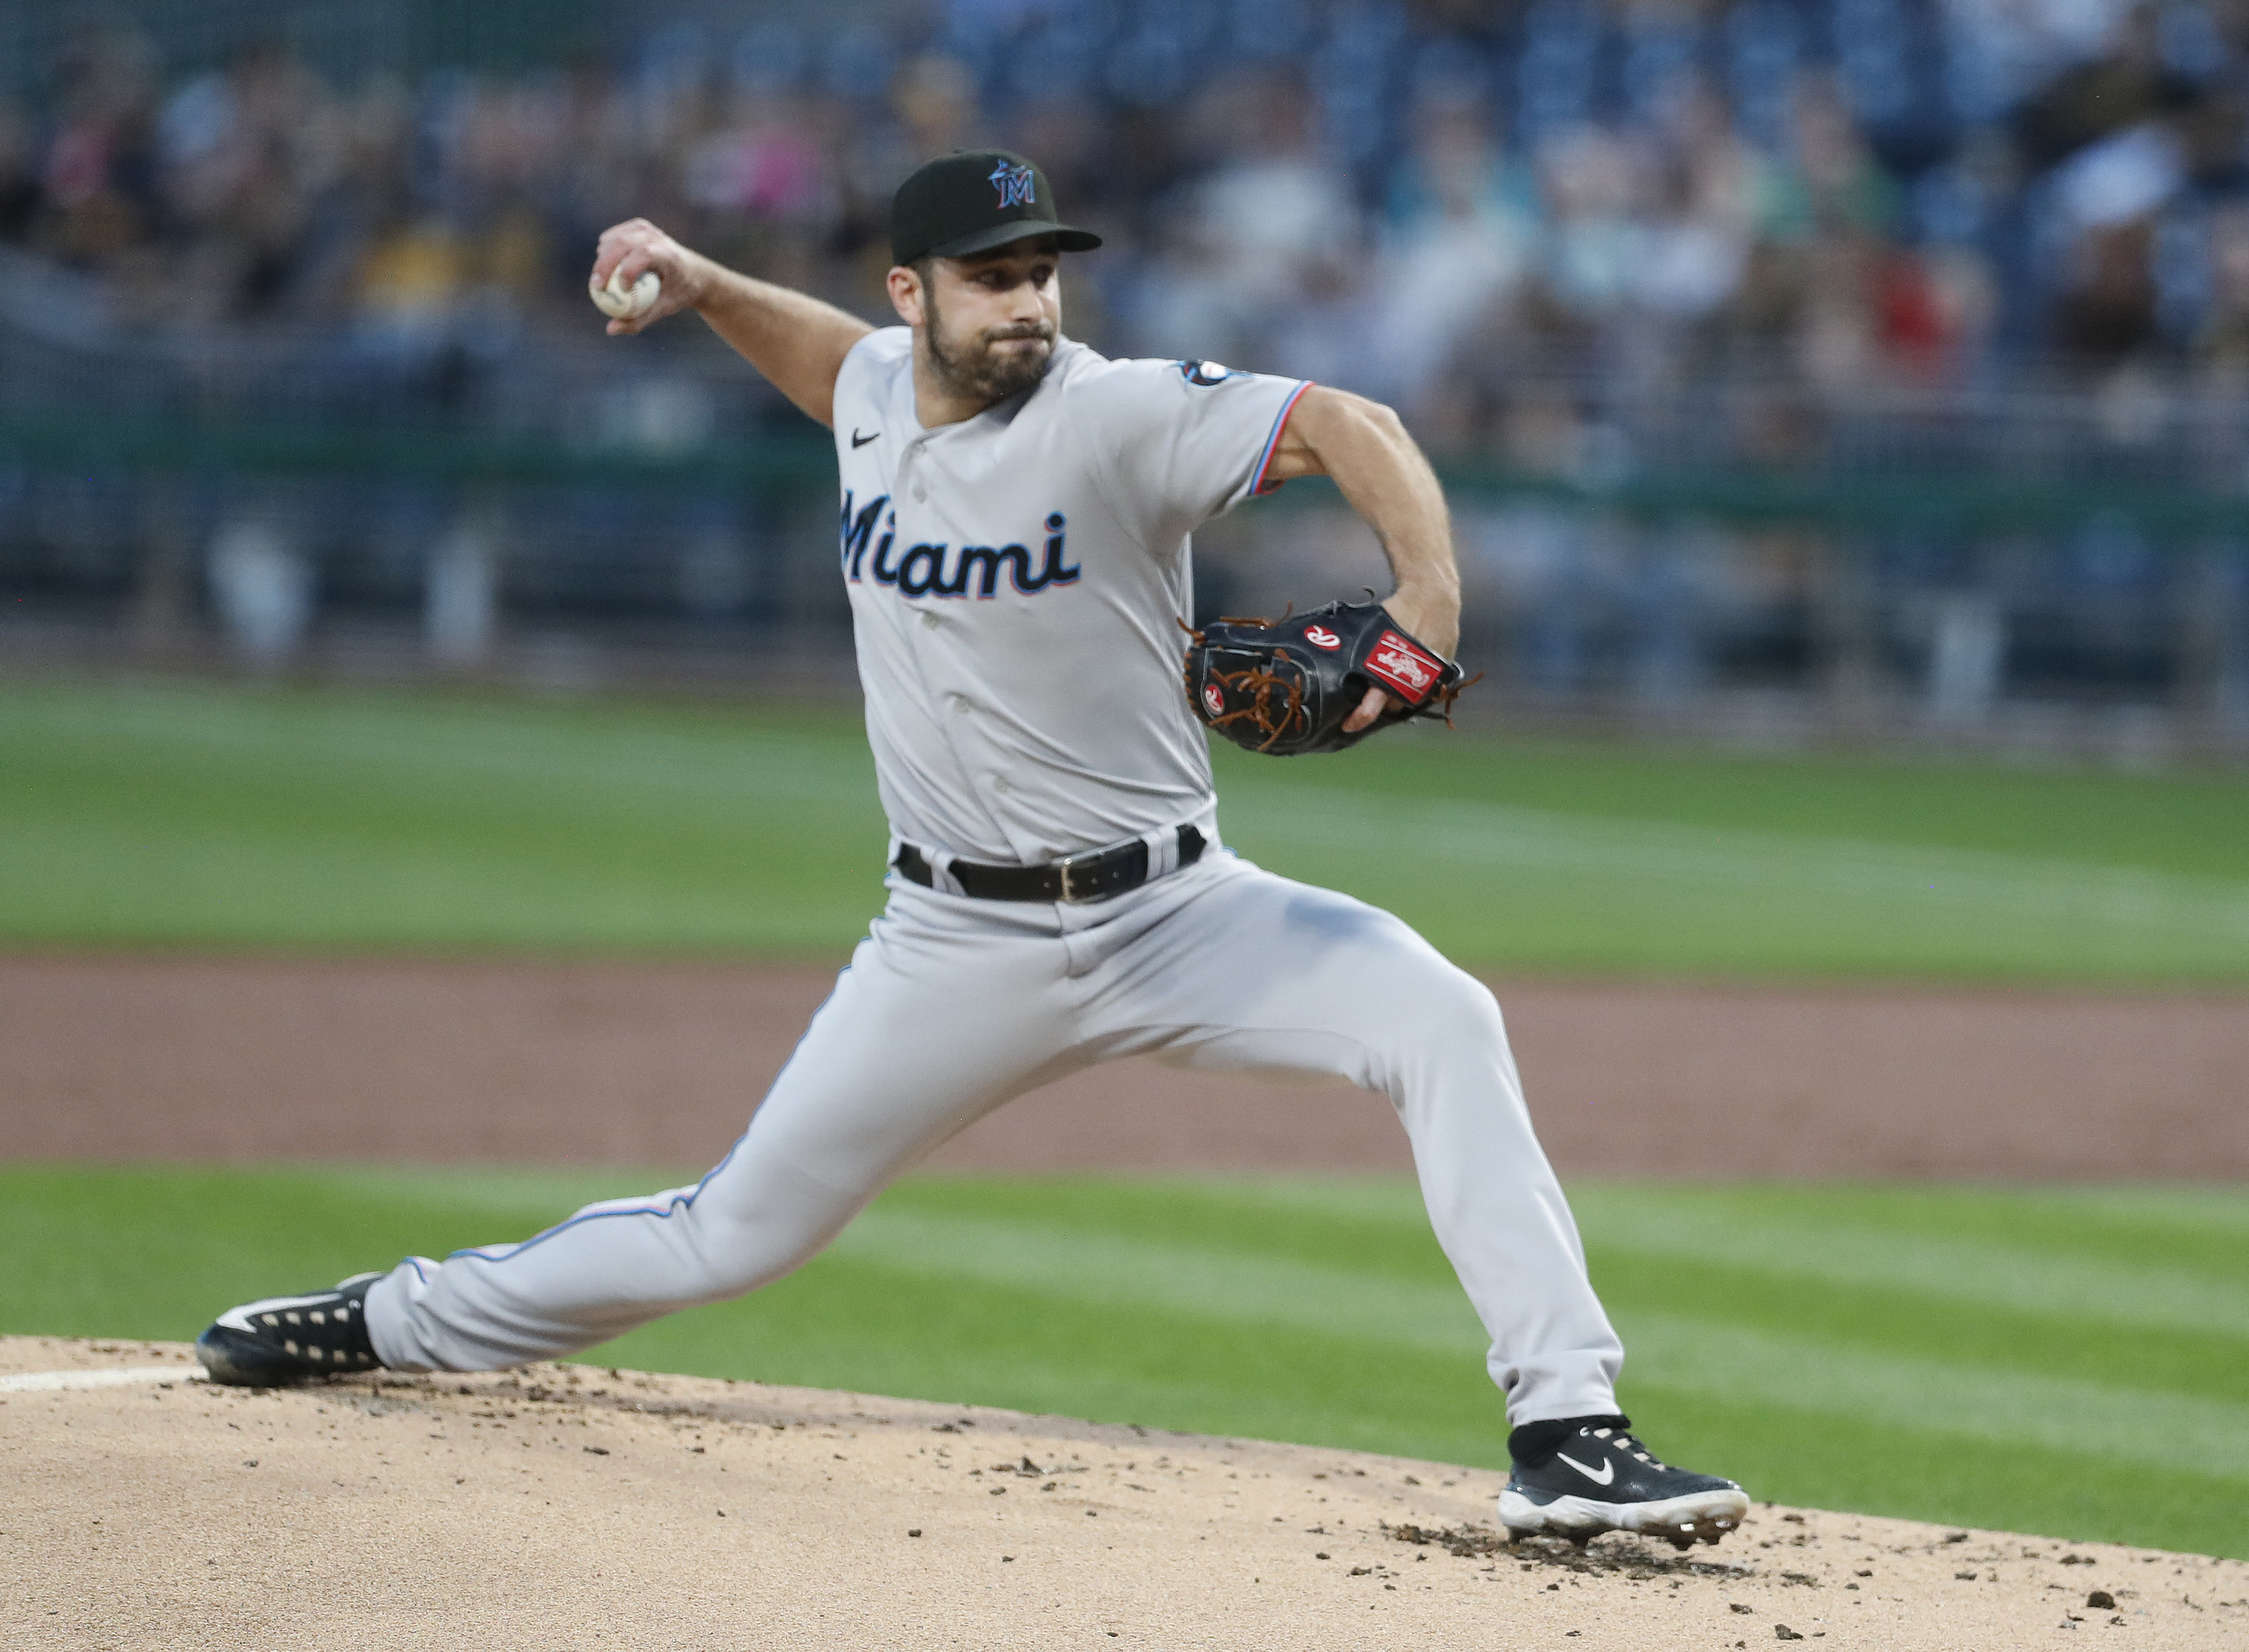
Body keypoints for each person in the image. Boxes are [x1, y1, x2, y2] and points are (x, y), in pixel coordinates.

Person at [196, 149, 1749, 1548]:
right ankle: (393, 1319)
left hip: (1178, 909)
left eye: (1043, 272)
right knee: (731, 1233)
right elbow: (828, 366)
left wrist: (1428, 603)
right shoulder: (878, 385)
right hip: (952, 946)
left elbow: (1357, 423)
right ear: (913, 292)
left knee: (1441, 1015)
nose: (1028, 303)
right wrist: (703, 281)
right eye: (994, 276)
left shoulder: (1122, 412)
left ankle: (1567, 1431)